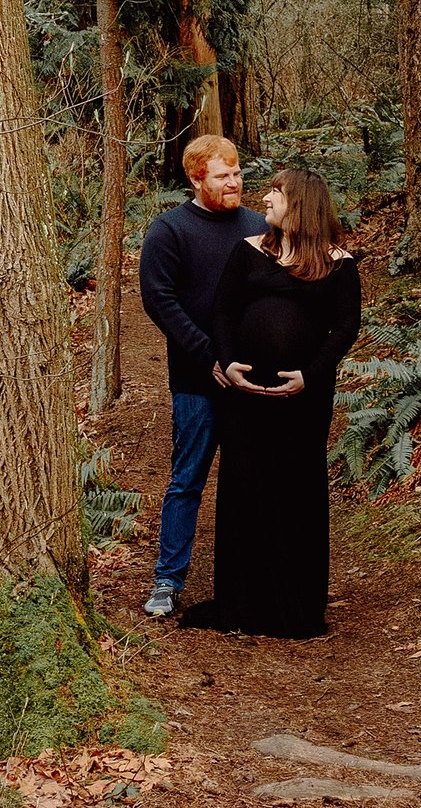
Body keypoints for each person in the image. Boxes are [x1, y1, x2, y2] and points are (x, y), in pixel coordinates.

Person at [179, 168, 362, 640]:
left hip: (303, 399)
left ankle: (294, 607)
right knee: (245, 486)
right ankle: (242, 602)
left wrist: (310, 375)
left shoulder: (338, 264)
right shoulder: (250, 251)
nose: (266, 198)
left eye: (276, 193)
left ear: (300, 203)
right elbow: (222, 310)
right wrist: (226, 361)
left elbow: (344, 329)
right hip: (244, 397)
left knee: (296, 489)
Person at [137, 134, 269, 618]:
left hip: (254, 379)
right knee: (188, 478)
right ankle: (168, 580)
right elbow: (160, 301)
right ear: (197, 178)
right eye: (223, 175)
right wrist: (209, 356)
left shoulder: (258, 226)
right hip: (197, 381)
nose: (234, 182)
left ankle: (253, 580)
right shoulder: (169, 231)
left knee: (253, 480)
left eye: (237, 173)